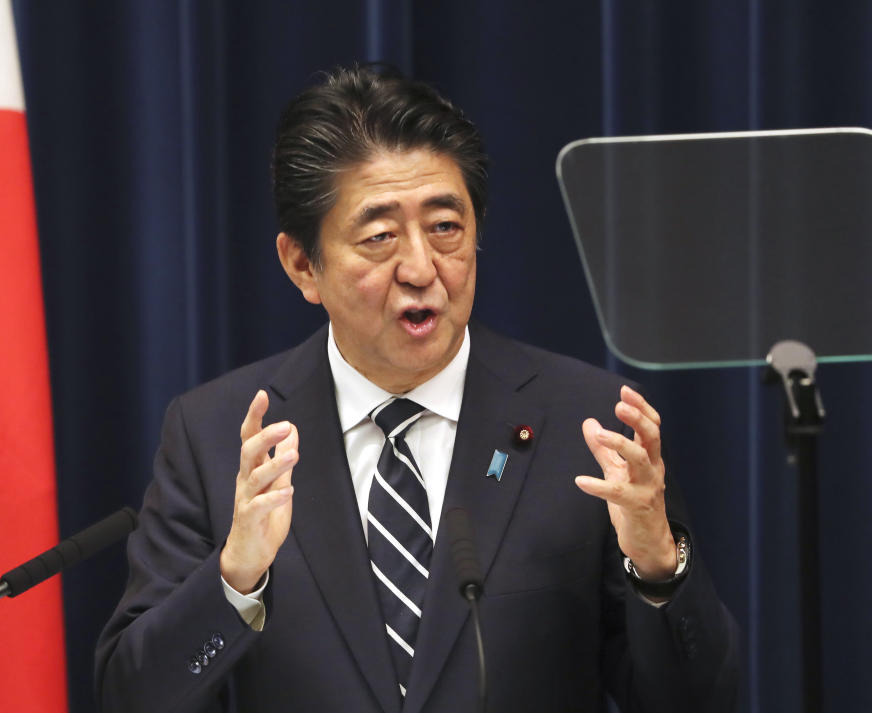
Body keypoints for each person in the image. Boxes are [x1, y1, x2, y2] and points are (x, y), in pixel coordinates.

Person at [95, 65, 739, 713]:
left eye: (445, 228)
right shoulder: (215, 435)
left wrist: (660, 567)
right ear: (301, 264)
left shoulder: (589, 424)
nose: (422, 268)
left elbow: (701, 700)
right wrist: (234, 580)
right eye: (378, 237)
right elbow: (134, 696)